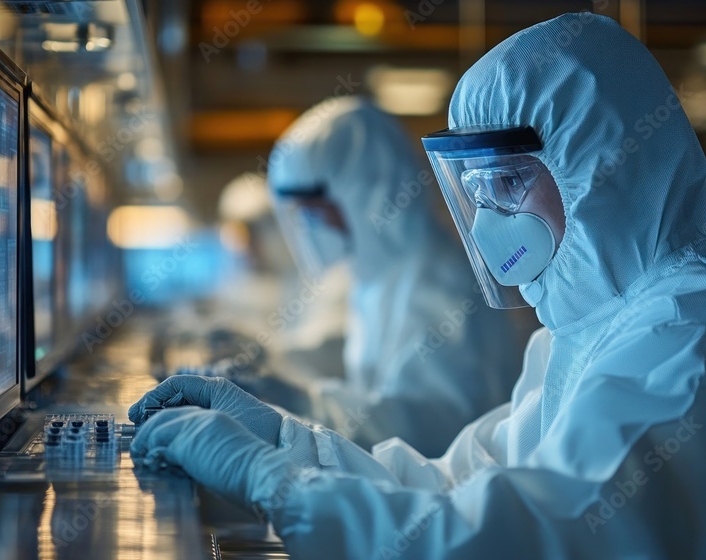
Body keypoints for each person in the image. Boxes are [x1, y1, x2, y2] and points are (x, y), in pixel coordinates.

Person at [128, 13, 706, 558]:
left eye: (509, 183)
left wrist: (276, 483)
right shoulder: (588, 331)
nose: (488, 222)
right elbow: (465, 483)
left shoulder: (693, 332)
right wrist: (287, 440)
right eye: (478, 192)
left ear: (599, 168)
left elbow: (546, 537)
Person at [190, 96, 527, 457]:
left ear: (366, 194)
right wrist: (270, 365)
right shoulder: (379, 278)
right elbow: (362, 368)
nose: (306, 227)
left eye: (312, 211)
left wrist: (295, 399)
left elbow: (427, 427)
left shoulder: (435, 281)